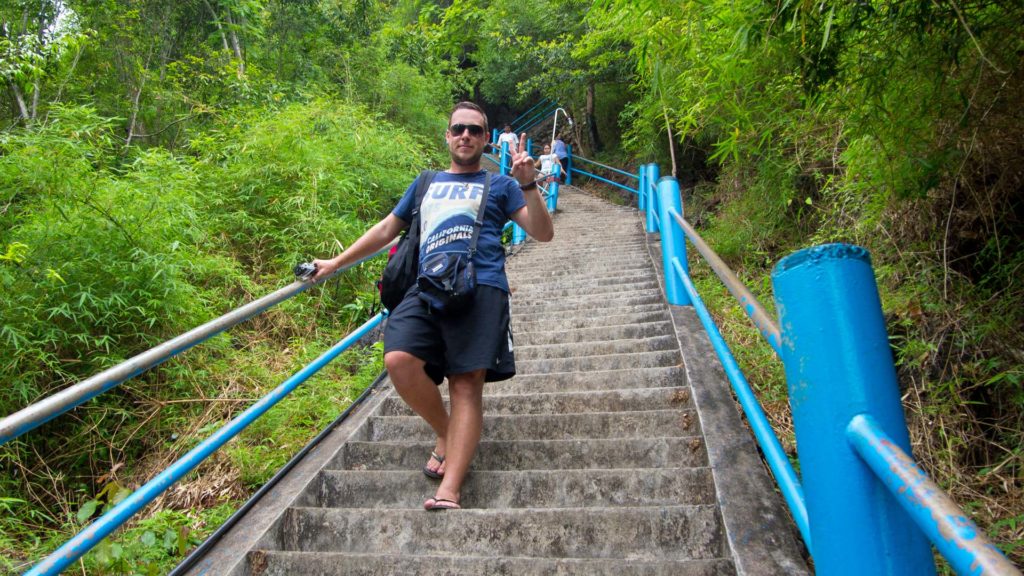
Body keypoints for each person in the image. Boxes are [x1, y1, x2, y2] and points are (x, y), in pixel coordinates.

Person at [310, 102, 553, 511]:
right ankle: (447, 431)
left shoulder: (502, 185)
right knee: (398, 359)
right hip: (427, 288)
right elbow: (388, 228)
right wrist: (336, 262)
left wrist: (529, 185)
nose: (466, 136)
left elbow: (543, 234)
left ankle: (450, 489)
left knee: (465, 383)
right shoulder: (426, 182)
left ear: (485, 139)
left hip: (483, 289)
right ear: (447, 135)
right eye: (458, 128)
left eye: (475, 131)